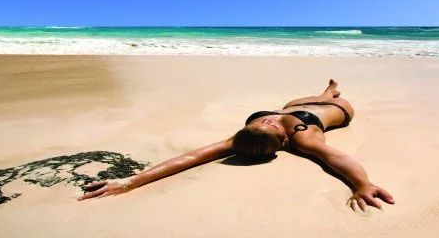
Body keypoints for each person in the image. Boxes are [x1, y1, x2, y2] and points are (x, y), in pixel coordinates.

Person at [78, 79, 395, 211]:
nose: (265, 121)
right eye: (263, 124)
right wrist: (362, 185)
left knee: (308, 97)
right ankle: (330, 95)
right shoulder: (300, 137)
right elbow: (335, 157)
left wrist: (130, 181)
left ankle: (328, 91)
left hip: (298, 106)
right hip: (337, 113)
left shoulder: (266, 136)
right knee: (319, 100)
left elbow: (192, 155)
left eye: (263, 123)